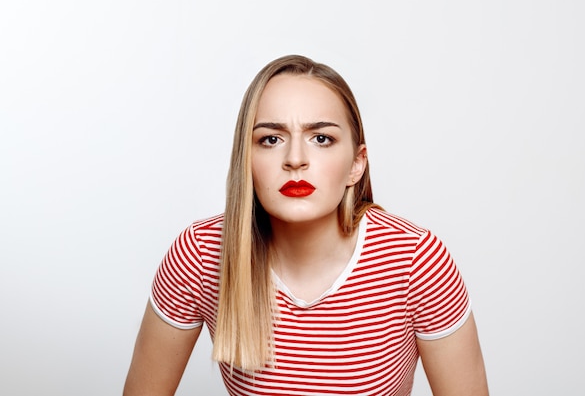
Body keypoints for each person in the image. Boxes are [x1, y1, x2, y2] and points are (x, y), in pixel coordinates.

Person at [123, 54, 489, 396]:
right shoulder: (201, 254)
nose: (295, 159)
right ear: (246, 160)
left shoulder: (416, 261)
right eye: (271, 139)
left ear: (356, 164)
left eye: (321, 139)